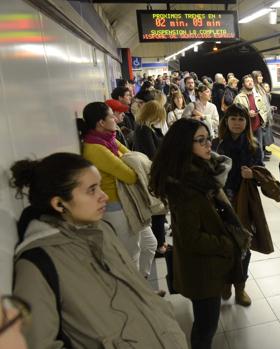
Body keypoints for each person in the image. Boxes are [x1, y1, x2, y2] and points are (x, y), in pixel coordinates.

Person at [11, 152, 187, 348]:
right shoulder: (37, 264)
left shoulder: (101, 229)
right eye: (92, 190)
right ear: (59, 203)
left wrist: (154, 306)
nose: (103, 196)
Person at [149, 118, 248, 349]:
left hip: (207, 265)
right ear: (184, 145)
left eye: (208, 139)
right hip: (202, 269)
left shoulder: (200, 173)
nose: (208, 145)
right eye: (200, 141)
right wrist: (228, 243)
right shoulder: (186, 187)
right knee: (206, 327)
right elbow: (191, 239)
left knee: (206, 323)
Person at [78, 102, 156, 278]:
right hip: (116, 206)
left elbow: (134, 157)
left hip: (129, 202)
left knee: (149, 244)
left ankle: (141, 283)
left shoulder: (109, 140)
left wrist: (133, 163)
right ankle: (136, 295)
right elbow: (131, 175)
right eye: (111, 116)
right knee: (131, 253)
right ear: (101, 123)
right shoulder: (95, 148)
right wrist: (134, 164)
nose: (115, 118)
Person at [212, 104, 266, 307]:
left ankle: (240, 287)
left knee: (244, 246)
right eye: (232, 118)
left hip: (244, 202)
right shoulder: (216, 144)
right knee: (223, 244)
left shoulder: (254, 146)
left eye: (241, 119)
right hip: (219, 203)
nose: (237, 123)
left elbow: (262, 174)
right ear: (226, 121)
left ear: (247, 123)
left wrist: (253, 175)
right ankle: (225, 282)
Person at [133, 100, 168, 257]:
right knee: (158, 210)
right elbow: (152, 154)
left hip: (152, 173)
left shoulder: (145, 128)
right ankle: (159, 245)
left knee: (158, 210)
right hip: (151, 174)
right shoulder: (144, 130)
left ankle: (159, 242)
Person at [233, 75, 270, 160]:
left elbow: (263, 109)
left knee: (259, 148)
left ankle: (260, 166)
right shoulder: (239, 98)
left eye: (251, 81)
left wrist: (262, 120)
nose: (250, 83)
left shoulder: (258, 96)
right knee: (246, 148)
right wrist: (247, 113)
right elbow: (234, 113)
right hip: (245, 128)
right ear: (243, 84)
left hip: (257, 127)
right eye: (247, 81)